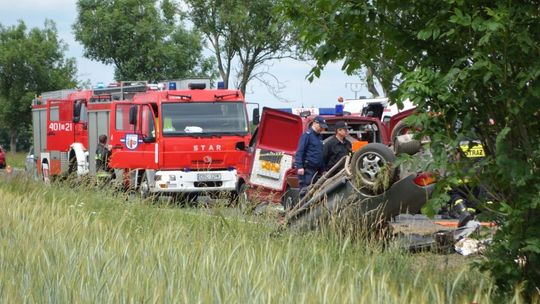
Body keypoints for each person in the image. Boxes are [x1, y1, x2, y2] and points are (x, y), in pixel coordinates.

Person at [295, 115, 327, 199]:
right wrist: (300, 167)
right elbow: (299, 152)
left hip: (316, 171)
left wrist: (323, 170)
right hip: (307, 171)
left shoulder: (319, 137)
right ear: (315, 123)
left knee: (314, 194)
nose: (322, 129)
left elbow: (320, 154)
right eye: (321, 126)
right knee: (305, 194)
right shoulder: (307, 135)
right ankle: (302, 211)